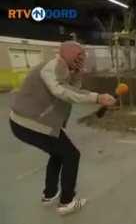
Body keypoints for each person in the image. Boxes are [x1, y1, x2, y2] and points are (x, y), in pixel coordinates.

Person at [9, 41, 116, 215]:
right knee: (71, 155)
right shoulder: (51, 67)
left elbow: (74, 88)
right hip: (28, 123)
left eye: (83, 56)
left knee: (58, 153)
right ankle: (67, 202)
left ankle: (49, 194)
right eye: (78, 56)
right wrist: (97, 98)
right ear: (66, 53)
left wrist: (78, 73)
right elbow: (62, 92)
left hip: (37, 123)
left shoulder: (64, 67)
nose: (81, 59)